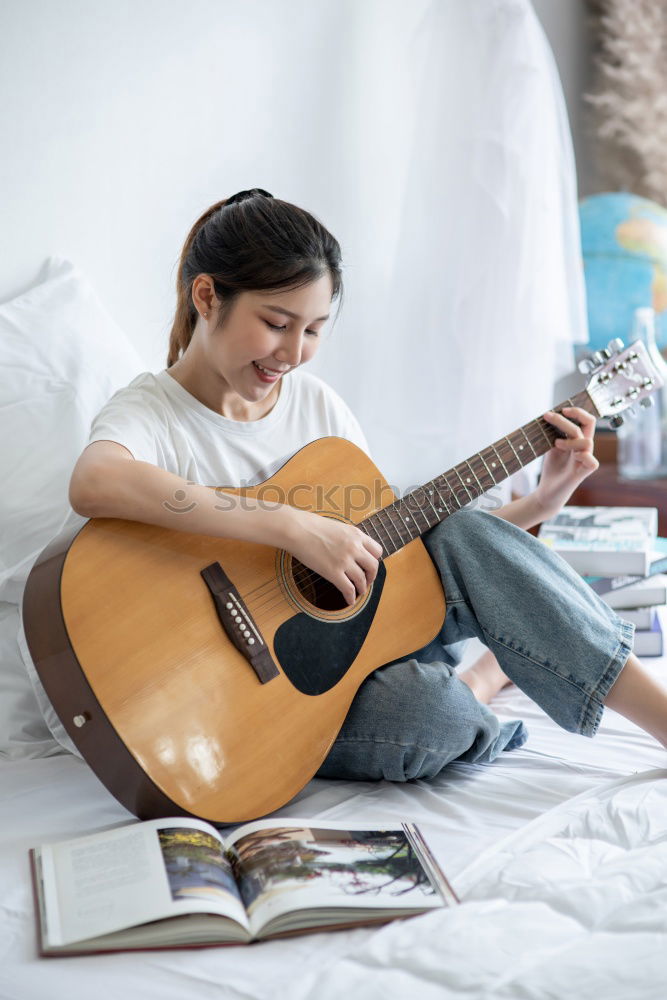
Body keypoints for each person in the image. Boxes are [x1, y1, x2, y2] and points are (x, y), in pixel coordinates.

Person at [69, 189, 667, 786]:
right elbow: (96, 480)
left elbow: (405, 564)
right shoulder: (154, 410)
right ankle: (481, 681)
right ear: (207, 296)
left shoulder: (317, 410)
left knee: (458, 529)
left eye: (313, 330)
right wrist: (290, 525)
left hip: (351, 654)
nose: (293, 353)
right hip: (243, 700)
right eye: (276, 323)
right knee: (431, 714)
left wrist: (542, 502)